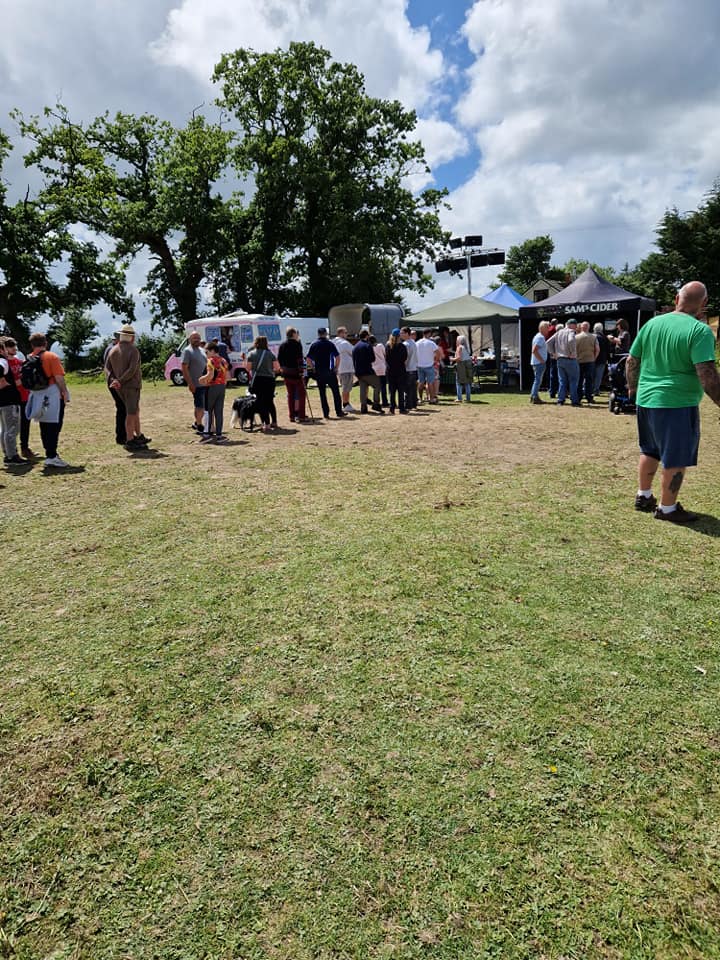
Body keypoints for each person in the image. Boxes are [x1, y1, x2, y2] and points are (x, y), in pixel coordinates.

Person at [626, 280, 720, 523]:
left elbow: (631, 361)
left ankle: (644, 495)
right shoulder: (699, 331)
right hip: (677, 402)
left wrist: (633, 388)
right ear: (704, 303)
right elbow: (707, 375)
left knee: (650, 449)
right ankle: (667, 509)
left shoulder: (652, 324)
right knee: (675, 456)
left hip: (647, 400)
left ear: (677, 299)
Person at [24, 333, 71, 467]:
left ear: (32, 345)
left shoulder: (29, 358)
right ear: (45, 343)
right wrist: (65, 392)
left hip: (37, 395)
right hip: (52, 394)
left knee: (44, 424)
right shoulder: (51, 357)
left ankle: (49, 452)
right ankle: (51, 455)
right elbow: (59, 378)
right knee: (54, 425)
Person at [106, 324, 150, 451]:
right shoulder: (133, 350)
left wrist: (114, 380)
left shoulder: (113, 350)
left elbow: (107, 368)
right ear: (131, 337)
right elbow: (132, 369)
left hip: (119, 388)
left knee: (133, 411)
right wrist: (119, 380)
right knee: (130, 413)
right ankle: (130, 440)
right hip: (131, 386)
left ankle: (138, 436)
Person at [2, 337, 36, 459]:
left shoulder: (19, 361)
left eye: (14, 345)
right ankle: (11, 452)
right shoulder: (4, 363)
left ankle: (24, 448)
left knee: (25, 423)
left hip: (25, 396)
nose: (14, 348)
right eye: (11, 346)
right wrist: (23, 379)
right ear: (4, 348)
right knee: (11, 427)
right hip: (13, 398)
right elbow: (14, 382)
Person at [306, 328, 345, 419]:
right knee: (335, 392)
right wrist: (336, 367)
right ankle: (339, 411)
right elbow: (338, 357)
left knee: (322, 393)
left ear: (318, 334)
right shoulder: (330, 344)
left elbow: (308, 359)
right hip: (330, 371)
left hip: (319, 372)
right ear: (326, 334)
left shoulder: (314, 344)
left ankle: (326, 413)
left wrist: (313, 368)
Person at [245, 335, 279, 432]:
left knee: (261, 402)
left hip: (258, 380)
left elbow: (248, 368)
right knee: (270, 401)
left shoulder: (251, 354)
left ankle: (266, 424)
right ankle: (274, 421)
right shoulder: (270, 354)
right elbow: (277, 368)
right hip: (270, 380)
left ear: (256, 343)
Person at [198, 341, 229, 443]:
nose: (205, 354)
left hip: (212, 387)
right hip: (222, 387)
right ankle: (219, 435)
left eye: (206, 352)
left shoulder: (211, 361)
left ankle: (207, 434)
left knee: (208, 411)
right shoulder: (223, 360)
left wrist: (202, 379)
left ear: (212, 351)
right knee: (219, 412)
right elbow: (227, 376)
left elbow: (210, 375)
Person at [546, 317, 580, 406]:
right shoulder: (571, 331)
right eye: (575, 325)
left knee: (562, 381)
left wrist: (553, 353)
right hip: (570, 359)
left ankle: (560, 400)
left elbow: (548, 342)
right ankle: (574, 401)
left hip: (560, 359)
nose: (576, 327)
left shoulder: (559, 332)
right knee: (573, 380)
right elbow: (571, 340)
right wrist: (572, 352)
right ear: (571, 325)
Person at [277, 326, 308, 423]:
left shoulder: (282, 345)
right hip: (296, 373)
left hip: (286, 373)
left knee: (290, 395)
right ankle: (301, 416)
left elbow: (279, 359)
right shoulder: (297, 344)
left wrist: (282, 368)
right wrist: (302, 371)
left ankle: (292, 416)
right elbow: (300, 359)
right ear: (293, 334)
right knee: (301, 394)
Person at [0, 339, 24, 464]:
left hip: (3, 401)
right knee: (12, 429)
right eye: (5, 348)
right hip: (9, 400)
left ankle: (7, 454)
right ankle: (12, 456)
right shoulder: (3, 361)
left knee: (5, 429)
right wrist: (3, 381)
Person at [181, 331, 207, 434]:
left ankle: (196, 422)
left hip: (205, 383)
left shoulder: (202, 350)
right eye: (194, 338)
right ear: (190, 339)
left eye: (198, 338)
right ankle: (199, 426)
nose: (196, 339)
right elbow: (184, 368)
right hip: (196, 383)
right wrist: (190, 383)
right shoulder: (187, 351)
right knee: (199, 406)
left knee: (203, 406)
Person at [103, 331, 126, 445]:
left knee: (122, 408)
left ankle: (123, 434)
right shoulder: (113, 349)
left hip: (112, 381)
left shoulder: (110, 348)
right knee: (122, 408)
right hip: (114, 382)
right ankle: (121, 436)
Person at [352, 330, 384, 414]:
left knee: (363, 389)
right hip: (367, 371)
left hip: (358, 372)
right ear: (366, 336)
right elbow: (372, 359)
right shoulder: (367, 345)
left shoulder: (355, 346)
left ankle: (363, 407)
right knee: (377, 385)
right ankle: (376, 404)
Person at [332, 326, 356, 412]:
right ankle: (346, 404)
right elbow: (354, 352)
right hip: (347, 368)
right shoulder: (344, 343)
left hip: (339, 368)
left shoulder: (333, 342)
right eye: (345, 332)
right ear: (341, 333)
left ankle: (346, 403)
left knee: (345, 387)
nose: (347, 334)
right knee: (346, 388)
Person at [575, 321, 600, 404]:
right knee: (589, 380)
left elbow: (573, 349)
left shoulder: (576, 337)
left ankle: (578, 397)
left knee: (579, 379)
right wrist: (594, 358)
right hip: (590, 360)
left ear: (581, 327)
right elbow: (597, 349)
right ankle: (589, 397)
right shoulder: (594, 337)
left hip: (579, 361)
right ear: (589, 327)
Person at [385, 328, 408, 414]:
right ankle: (402, 408)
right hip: (400, 370)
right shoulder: (402, 347)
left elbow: (386, 359)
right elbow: (405, 359)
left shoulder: (388, 346)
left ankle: (392, 408)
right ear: (399, 336)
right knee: (401, 391)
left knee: (392, 391)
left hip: (391, 371)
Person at [415, 329, 441, 404]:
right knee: (430, 383)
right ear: (429, 334)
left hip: (419, 365)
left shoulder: (417, 343)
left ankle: (420, 398)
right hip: (429, 365)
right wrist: (436, 360)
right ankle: (431, 398)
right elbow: (438, 353)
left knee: (421, 382)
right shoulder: (431, 343)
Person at [529, 321, 550, 404]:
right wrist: (541, 360)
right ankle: (534, 397)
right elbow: (534, 350)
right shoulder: (540, 338)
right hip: (539, 363)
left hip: (536, 362)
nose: (548, 330)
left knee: (537, 380)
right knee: (538, 380)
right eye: (547, 328)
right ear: (542, 328)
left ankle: (533, 396)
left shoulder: (538, 336)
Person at [400, 327, 418, 410]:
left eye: (402, 333)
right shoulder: (413, 342)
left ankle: (408, 405)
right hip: (414, 368)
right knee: (413, 388)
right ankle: (414, 404)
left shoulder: (405, 344)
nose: (400, 334)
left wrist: (402, 366)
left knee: (407, 389)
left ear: (407, 333)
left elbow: (405, 358)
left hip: (408, 368)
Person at [453, 334, 474, 403]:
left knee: (459, 382)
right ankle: (468, 398)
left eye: (457, 340)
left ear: (459, 340)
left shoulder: (459, 347)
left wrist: (451, 359)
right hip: (468, 365)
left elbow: (459, 358)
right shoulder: (466, 348)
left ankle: (459, 398)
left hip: (461, 365)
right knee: (467, 382)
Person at [592, 322, 611, 396]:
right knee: (598, 376)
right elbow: (608, 349)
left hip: (592, 358)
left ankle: (588, 389)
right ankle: (596, 390)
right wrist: (608, 359)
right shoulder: (604, 338)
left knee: (590, 375)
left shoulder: (592, 336)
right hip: (602, 359)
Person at [369, 334, 388, 407]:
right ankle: (385, 402)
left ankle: (376, 401)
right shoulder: (380, 345)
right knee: (383, 386)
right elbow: (385, 354)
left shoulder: (369, 347)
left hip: (374, 368)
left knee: (376, 387)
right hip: (382, 367)